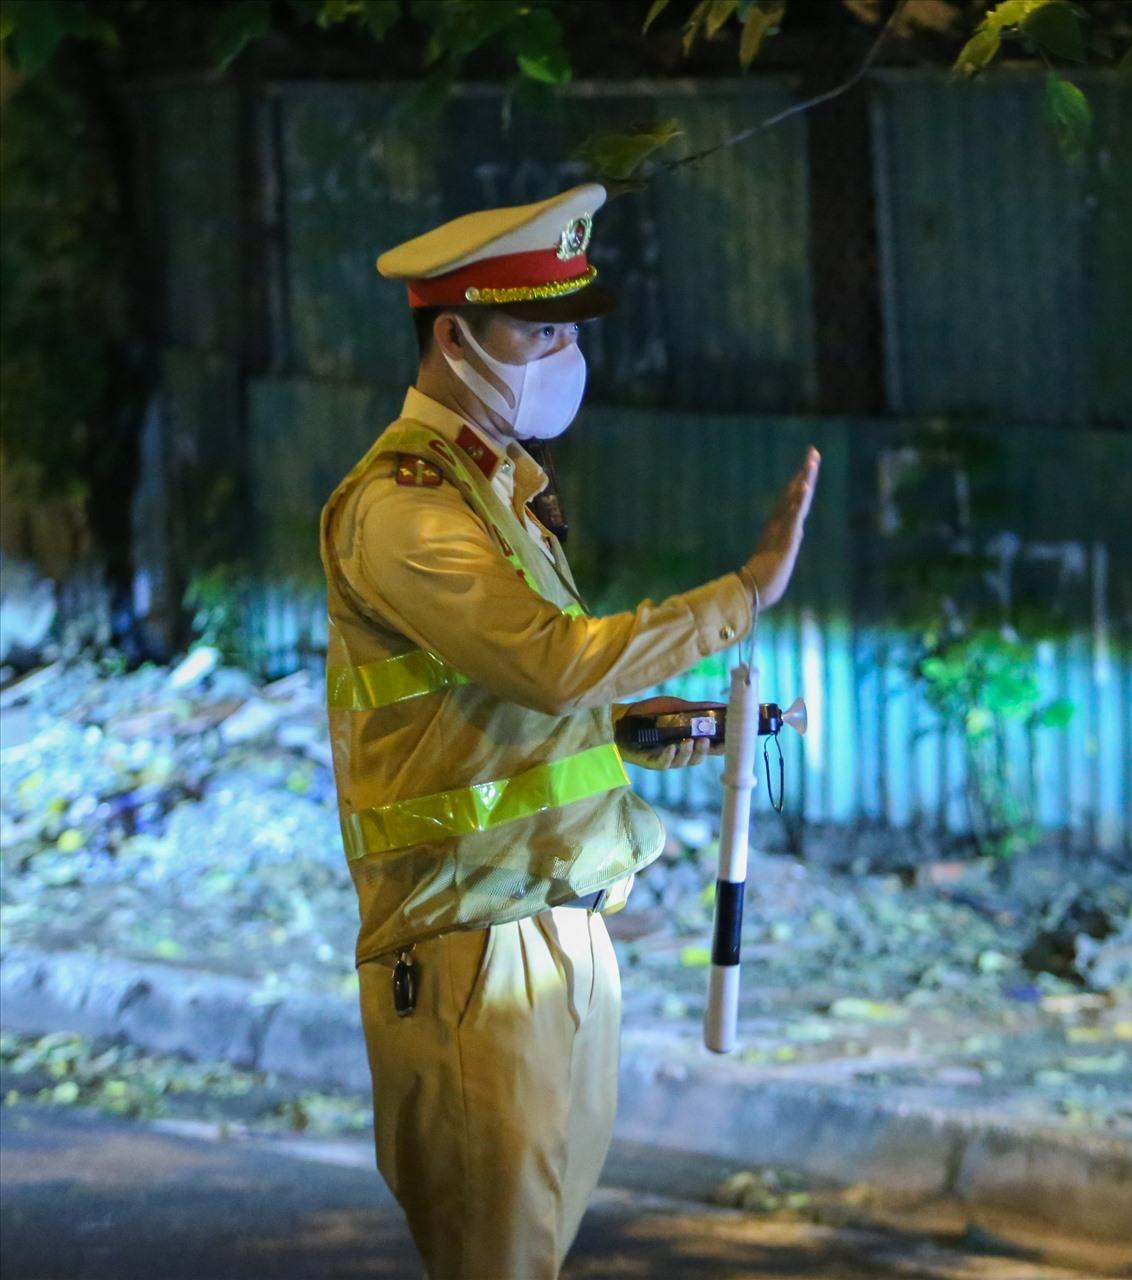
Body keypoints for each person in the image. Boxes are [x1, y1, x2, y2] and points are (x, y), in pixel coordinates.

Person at [318, 181, 818, 1279]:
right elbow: (550, 663)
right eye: (537, 328)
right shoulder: (404, 508)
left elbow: (505, 697)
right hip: (471, 952)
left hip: (557, 936)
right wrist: (743, 593)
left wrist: (638, 725)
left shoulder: (495, 489)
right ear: (454, 336)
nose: (561, 352)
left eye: (564, 329)